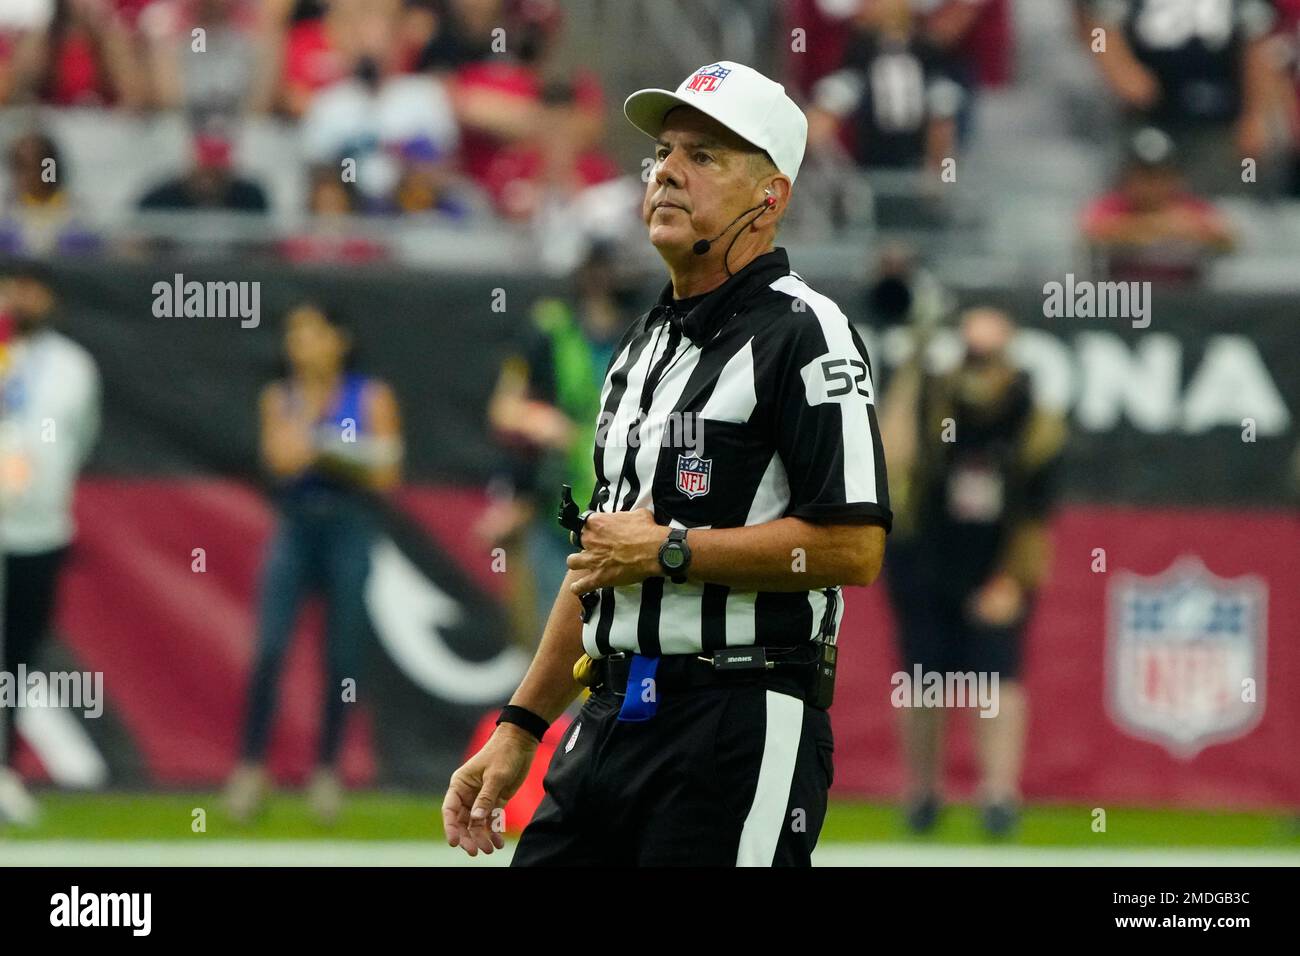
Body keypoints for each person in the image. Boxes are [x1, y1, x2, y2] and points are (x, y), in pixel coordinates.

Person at [443, 61, 891, 866]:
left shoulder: (805, 333)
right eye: (663, 154)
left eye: (705, 156)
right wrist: (519, 727)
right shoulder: (642, 349)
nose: (667, 173)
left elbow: (853, 546)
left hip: (738, 717)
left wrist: (672, 551)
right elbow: (599, 561)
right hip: (614, 709)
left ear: (771, 196)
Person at [879, 307, 1065, 838]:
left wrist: (1011, 578)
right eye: (970, 352)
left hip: (997, 559)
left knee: (998, 675)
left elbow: (1036, 511)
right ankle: (921, 795)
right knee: (922, 677)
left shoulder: (1032, 415)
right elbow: (891, 456)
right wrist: (915, 368)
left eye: (990, 355)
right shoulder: (932, 398)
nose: (979, 368)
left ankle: (999, 797)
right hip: (925, 553)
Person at [225, 302, 402, 824]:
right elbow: (281, 461)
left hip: (349, 526)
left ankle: (327, 772)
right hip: (296, 524)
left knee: (342, 656)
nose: (299, 344)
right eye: (293, 335)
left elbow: (387, 473)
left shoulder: (370, 395)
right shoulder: (280, 396)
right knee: (270, 647)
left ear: (337, 340)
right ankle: (251, 769)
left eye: (311, 332)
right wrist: (346, 451)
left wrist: (322, 447)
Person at [475, 240, 632, 647]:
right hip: (555, 509)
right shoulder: (550, 327)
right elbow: (504, 408)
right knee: (551, 634)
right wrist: (540, 421)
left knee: (611, 638)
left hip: (623, 513)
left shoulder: (643, 330)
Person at [0, 260, 101, 826]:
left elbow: (80, 436)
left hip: (38, 530)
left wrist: (41, 485)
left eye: (35, 288)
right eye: (16, 287)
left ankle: (5, 769)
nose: (24, 298)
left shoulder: (71, 366)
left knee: (14, 660)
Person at [1082, 126, 1235, 282]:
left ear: (1175, 177)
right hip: (1127, 299)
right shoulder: (1114, 206)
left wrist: (1186, 229)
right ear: (1127, 177)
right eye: (1144, 176)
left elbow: (1227, 241)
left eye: (1161, 176)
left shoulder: (1192, 207)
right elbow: (1091, 235)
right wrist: (1158, 226)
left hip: (1184, 300)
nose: (1152, 186)